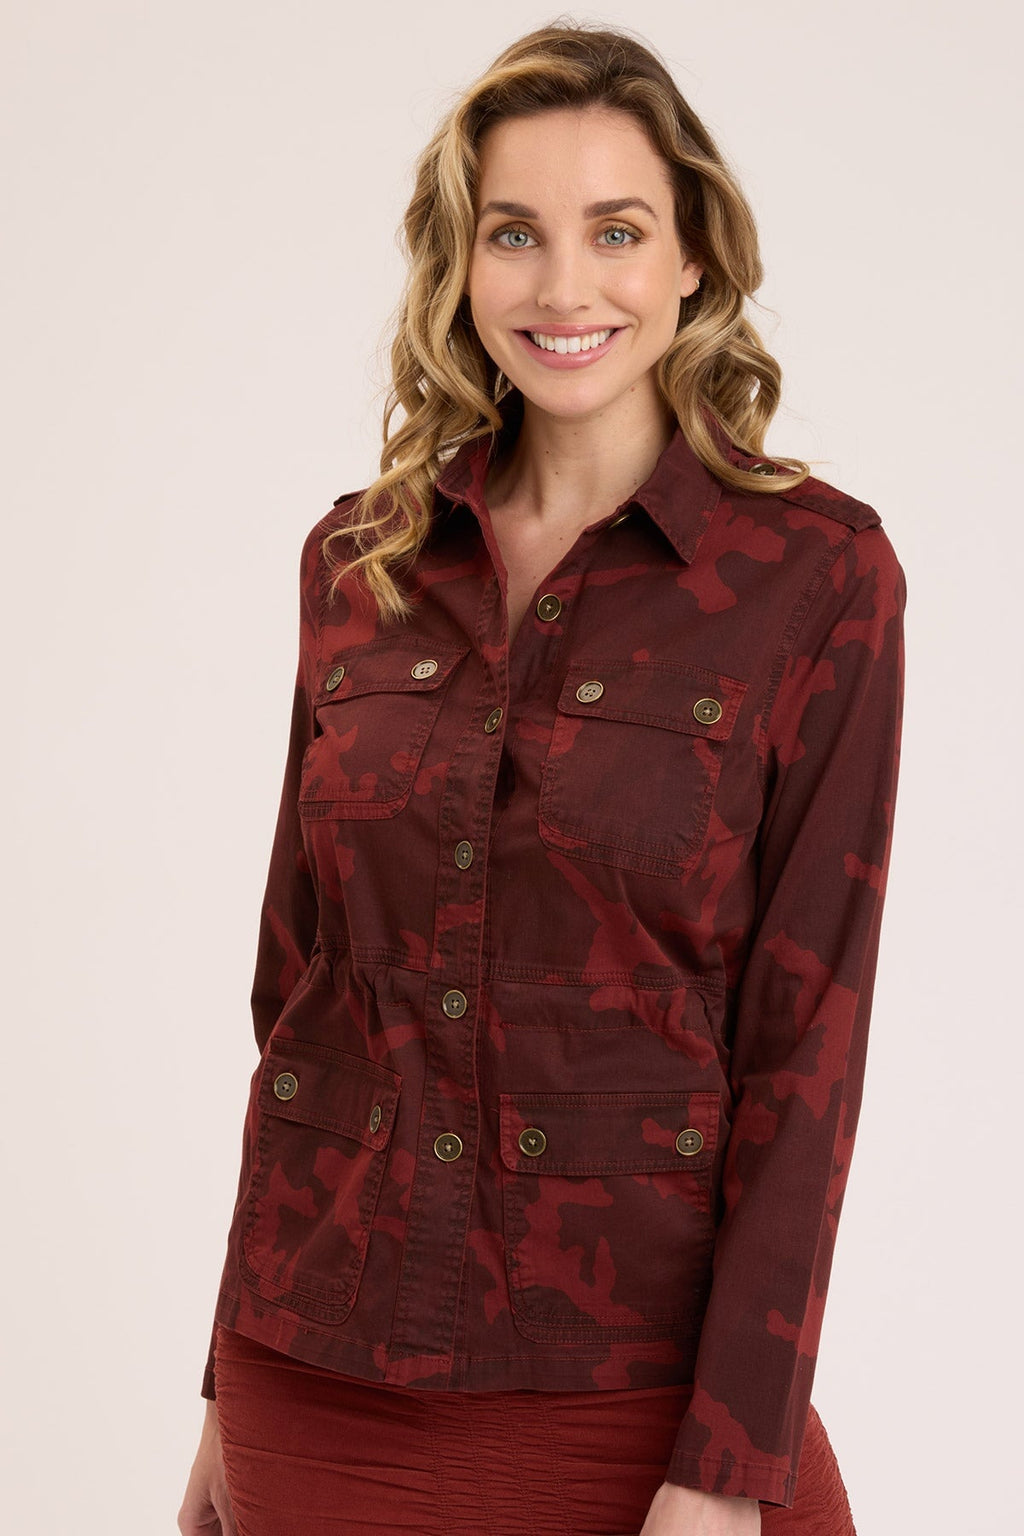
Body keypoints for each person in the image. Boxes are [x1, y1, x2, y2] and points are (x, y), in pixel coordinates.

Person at [178, 20, 905, 1536]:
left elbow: (806, 1056)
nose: (564, 287)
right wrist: (219, 1398)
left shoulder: (815, 576)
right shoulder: (357, 563)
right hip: (317, 1377)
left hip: (640, 1386)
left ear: (693, 259)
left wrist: (728, 1466)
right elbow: (298, 990)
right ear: (459, 265)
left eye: (616, 232)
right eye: (514, 233)